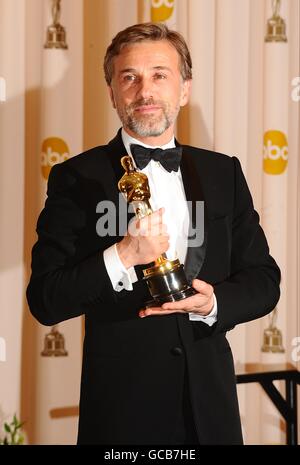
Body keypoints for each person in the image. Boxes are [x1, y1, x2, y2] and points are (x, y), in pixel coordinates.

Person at [27, 22, 281, 445]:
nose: (144, 90)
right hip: (123, 414)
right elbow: (46, 300)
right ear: (112, 93)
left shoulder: (223, 173)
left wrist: (214, 302)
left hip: (210, 411)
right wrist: (123, 254)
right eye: (130, 77)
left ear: (184, 89)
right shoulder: (76, 177)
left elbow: (263, 280)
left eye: (160, 75)